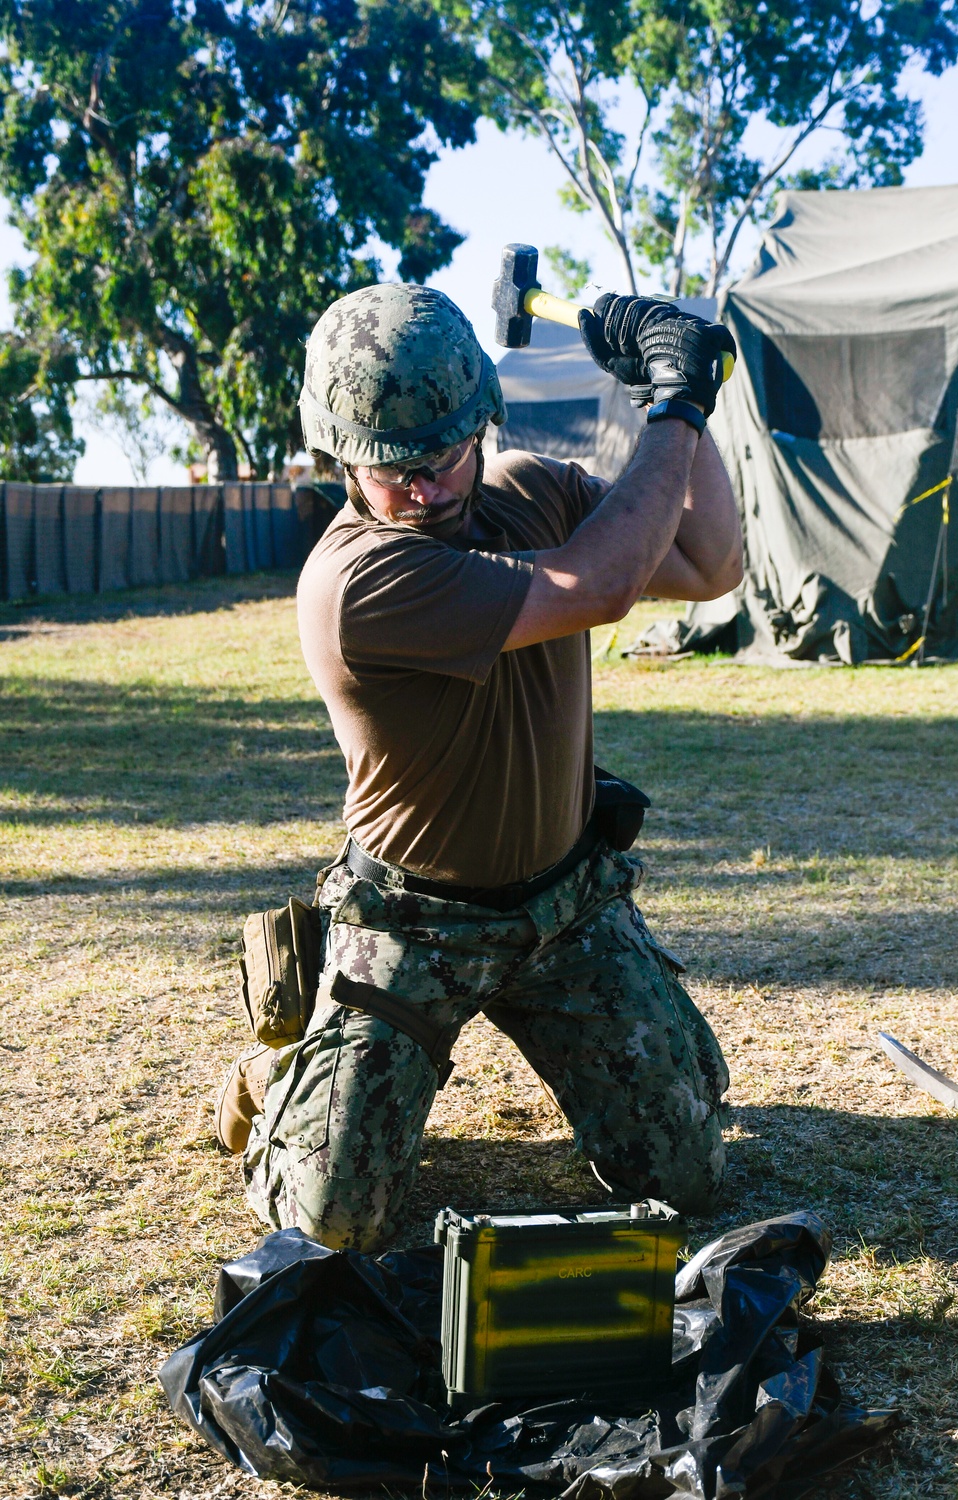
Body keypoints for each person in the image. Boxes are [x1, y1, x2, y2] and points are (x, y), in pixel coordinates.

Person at [215, 282, 743, 1251]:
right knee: (333, 1223)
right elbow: (603, 583)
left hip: (565, 903)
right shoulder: (357, 579)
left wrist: (679, 406)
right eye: (387, 469)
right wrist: (674, 404)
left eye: (441, 456)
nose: (420, 487)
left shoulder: (532, 492)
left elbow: (709, 566)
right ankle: (281, 1078)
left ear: (481, 427)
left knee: (686, 1177)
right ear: (337, 461)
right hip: (416, 920)